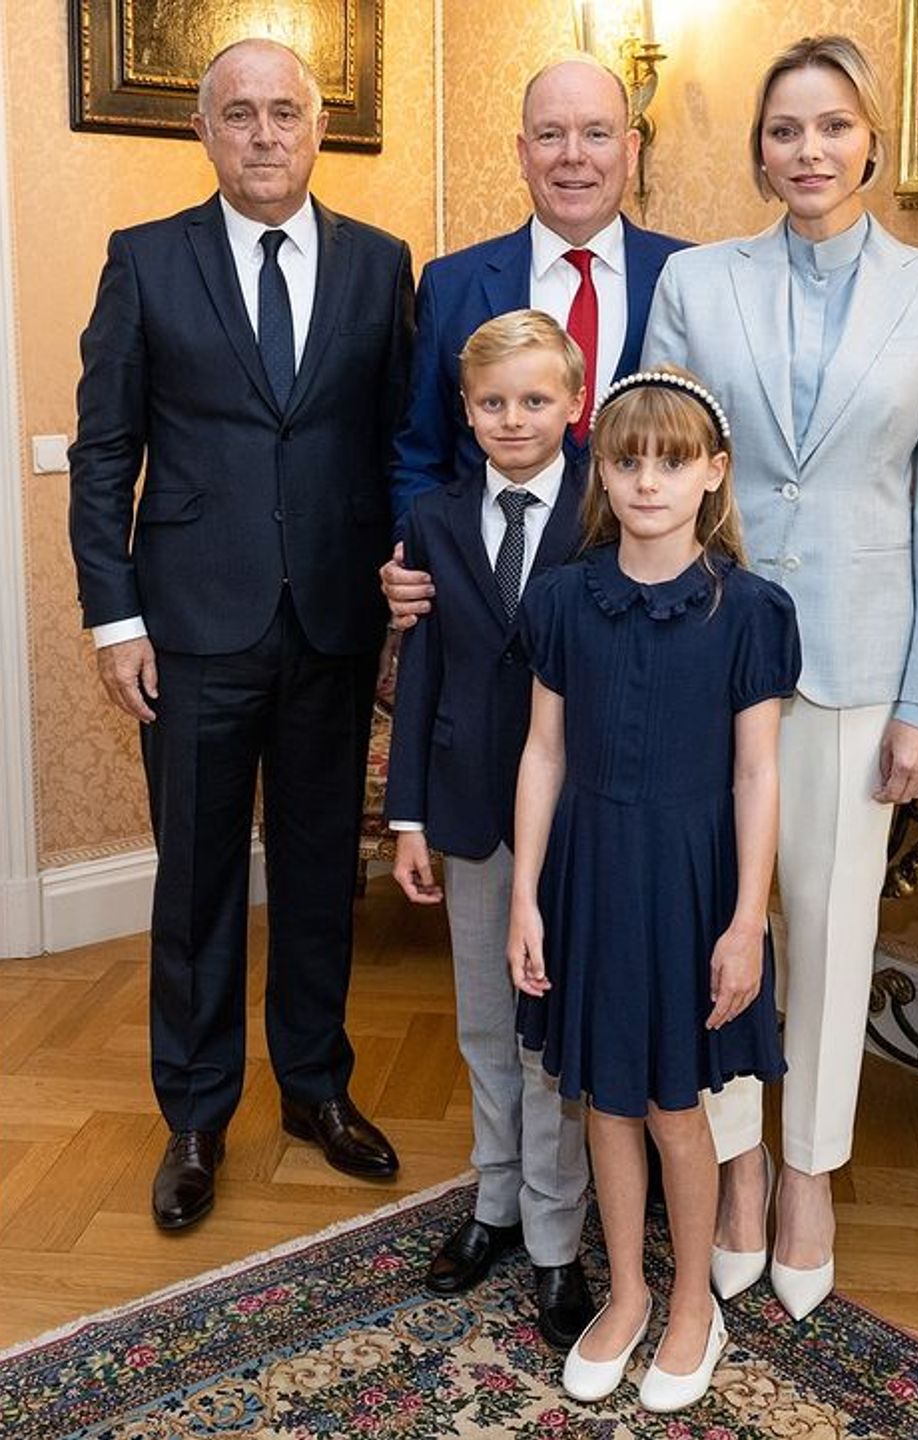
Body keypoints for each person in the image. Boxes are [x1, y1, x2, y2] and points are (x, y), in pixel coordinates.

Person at [643, 33, 918, 1319]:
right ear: (758, 151)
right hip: (703, 658)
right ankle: (734, 1168)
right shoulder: (695, 283)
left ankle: (806, 1178)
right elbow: (662, 455)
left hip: (856, 666)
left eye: (832, 127)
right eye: (784, 130)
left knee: (835, 937)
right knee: (716, 931)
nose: (808, 151)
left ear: (872, 142)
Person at [68, 38, 414, 1230]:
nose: (264, 136)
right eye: (238, 116)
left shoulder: (381, 266)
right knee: (200, 884)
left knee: (323, 875)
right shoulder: (145, 262)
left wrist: (407, 588)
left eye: (285, 114)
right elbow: (105, 451)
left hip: (331, 623)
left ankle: (316, 1091)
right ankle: (198, 1115)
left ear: (317, 130)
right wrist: (116, 618)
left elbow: (397, 448)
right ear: (202, 134)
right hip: (192, 631)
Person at [509, 370, 800, 1413]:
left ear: (714, 474)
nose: (646, 481)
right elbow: (542, 755)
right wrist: (526, 899)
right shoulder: (563, 598)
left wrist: (745, 923)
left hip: (688, 882)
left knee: (679, 1108)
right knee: (606, 1102)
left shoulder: (750, 609)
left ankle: (691, 1307)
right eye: (627, 460)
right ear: (603, 471)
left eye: (672, 462)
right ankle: (625, 1294)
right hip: (588, 872)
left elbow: (756, 773)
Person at [385, 310, 596, 1350]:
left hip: (577, 815)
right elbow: (421, 671)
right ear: (466, 415)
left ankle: (560, 1241)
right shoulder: (431, 519)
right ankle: (497, 1206)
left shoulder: (609, 509)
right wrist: (408, 815)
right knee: (482, 1025)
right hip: (467, 809)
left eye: (535, 398)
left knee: (549, 1040)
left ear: (575, 400)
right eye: (492, 403)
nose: (514, 418)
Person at [382, 53, 689, 624]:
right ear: (523, 155)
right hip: (484, 611)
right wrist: (412, 554)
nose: (573, 155)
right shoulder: (453, 285)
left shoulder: (689, 276)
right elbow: (419, 454)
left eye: (595, 134)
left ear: (629, 150)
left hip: (643, 614)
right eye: (551, 135)